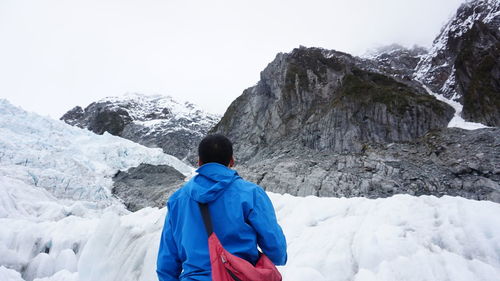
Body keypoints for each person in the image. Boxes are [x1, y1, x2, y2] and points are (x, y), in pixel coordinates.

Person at [157, 134, 287, 281]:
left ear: (199, 162)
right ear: (232, 160)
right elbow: (277, 252)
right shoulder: (251, 194)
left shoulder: (177, 200)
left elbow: (166, 266)